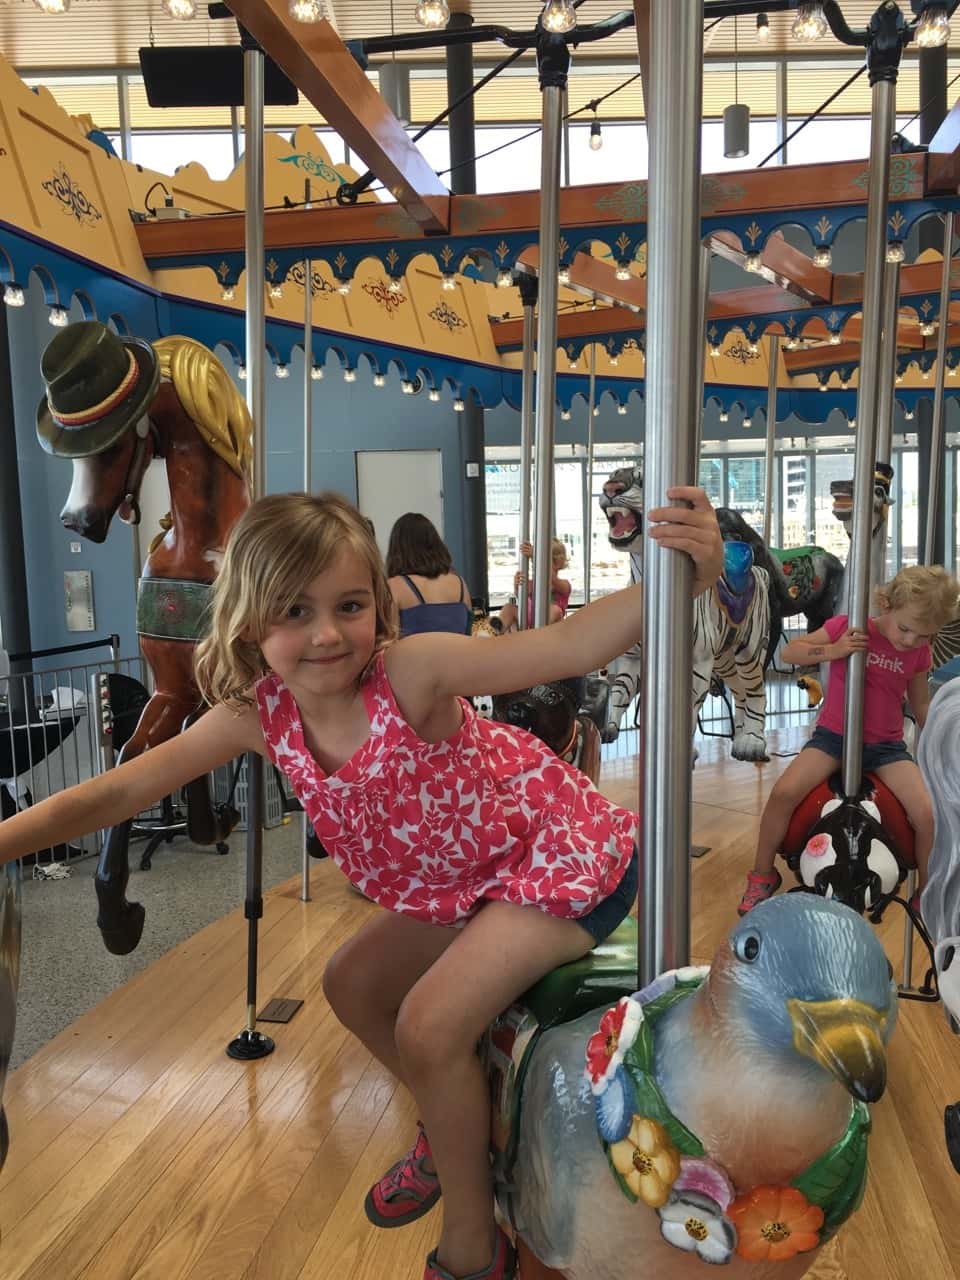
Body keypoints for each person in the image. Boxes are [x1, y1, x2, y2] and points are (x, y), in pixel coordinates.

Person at [0, 487, 723, 1280]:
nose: (326, 635)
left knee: (427, 1026)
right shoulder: (258, 716)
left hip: (549, 858)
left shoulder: (411, 673)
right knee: (349, 983)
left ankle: (474, 1250)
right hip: (456, 887)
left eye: (348, 606)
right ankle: (454, 1123)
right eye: (294, 612)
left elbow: (567, 645)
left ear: (378, 606)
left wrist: (681, 580)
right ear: (249, 624)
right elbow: (119, 791)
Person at [739, 564, 960, 917]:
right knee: (784, 793)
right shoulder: (850, 629)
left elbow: (919, 703)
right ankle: (763, 873)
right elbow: (790, 652)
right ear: (888, 605)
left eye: (923, 635)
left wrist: (941, 740)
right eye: (905, 629)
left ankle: (926, 888)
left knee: (926, 813)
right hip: (834, 738)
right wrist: (834, 650)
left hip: (886, 748)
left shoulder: (919, 652)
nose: (909, 641)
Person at [386, 512, 473, 638]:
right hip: (461, 657)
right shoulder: (460, 583)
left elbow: (389, 643)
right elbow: (468, 635)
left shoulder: (395, 586)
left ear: (397, 549)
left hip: (413, 658)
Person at [497, 538, 571, 632]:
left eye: (542, 560)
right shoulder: (532, 583)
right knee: (508, 608)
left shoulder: (564, 585)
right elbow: (520, 595)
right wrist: (516, 585)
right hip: (529, 619)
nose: (537, 563)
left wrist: (537, 556)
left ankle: (536, 635)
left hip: (549, 627)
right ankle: (493, 633)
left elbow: (550, 576)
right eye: (535, 560)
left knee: (556, 610)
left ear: (557, 564)